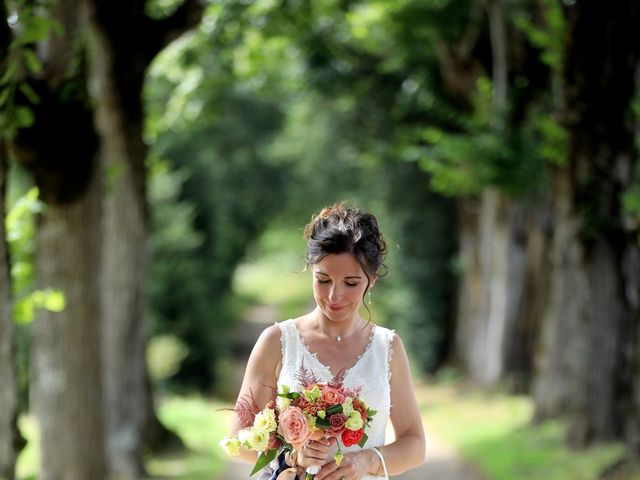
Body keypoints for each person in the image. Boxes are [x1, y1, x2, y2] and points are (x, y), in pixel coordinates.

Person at [229, 203, 426, 479]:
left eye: (351, 283)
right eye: (323, 280)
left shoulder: (388, 347)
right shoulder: (276, 341)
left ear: (372, 280)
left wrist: (366, 460)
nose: (334, 296)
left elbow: (414, 444)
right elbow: (238, 439)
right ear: (310, 270)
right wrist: (292, 454)